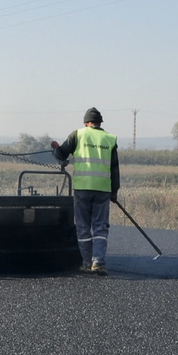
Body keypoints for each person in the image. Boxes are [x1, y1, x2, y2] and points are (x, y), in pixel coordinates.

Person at [52, 107, 120, 275]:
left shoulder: (78, 135)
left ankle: (87, 262)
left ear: (85, 123)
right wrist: (114, 191)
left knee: (83, 226)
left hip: (82, 188)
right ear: (99, 123)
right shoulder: (109, 139)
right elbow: (115, 168)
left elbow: (61, 154)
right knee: (100, 226)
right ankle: (99, 262)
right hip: (103, 189)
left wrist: (55, 149)